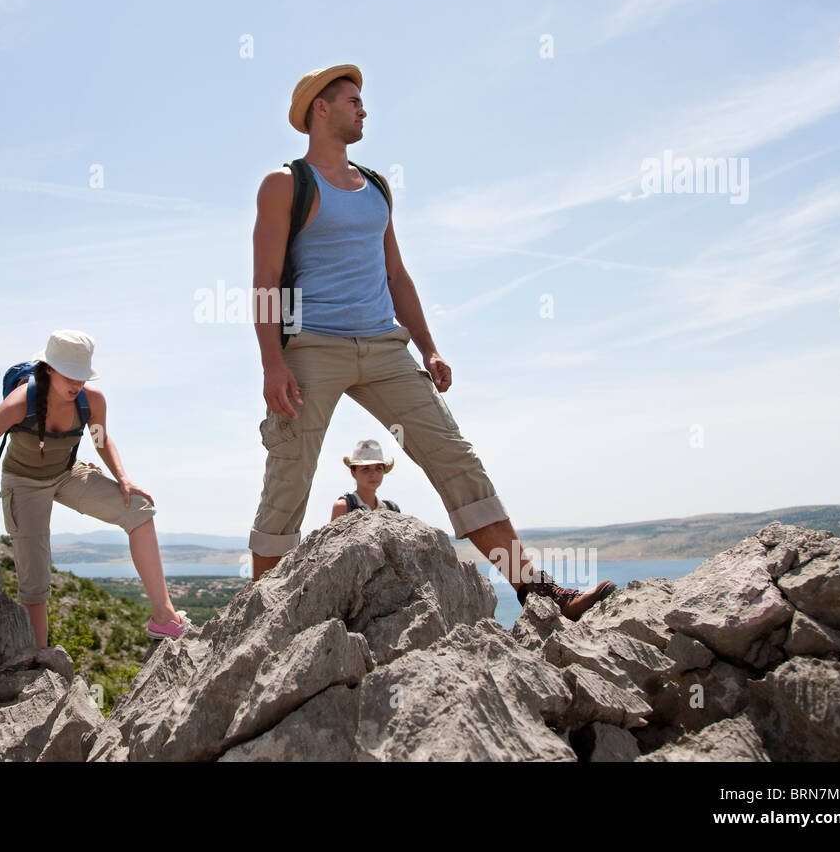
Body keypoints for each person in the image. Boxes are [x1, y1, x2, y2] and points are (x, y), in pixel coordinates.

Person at [248, 64, 616, 621]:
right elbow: (266, 279)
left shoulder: (375, 186)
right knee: (288, 477)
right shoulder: (284, 184)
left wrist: (428, 345)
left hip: (384, 348)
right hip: (312, 349)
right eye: (352, 101)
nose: (363, 109)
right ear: (319, 110)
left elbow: (396, 274)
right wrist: (273, 362)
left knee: (455, 457)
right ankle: (260, 619)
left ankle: (540, 593)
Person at [0, 328, 191, 660]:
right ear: (47, 369)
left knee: (139, 509)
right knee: (35, 583)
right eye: (68, 374)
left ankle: (164, 617)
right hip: (24, 483)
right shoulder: (21, 402)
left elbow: (101, 439)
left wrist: (122, 477)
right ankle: (39, 662)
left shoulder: (92, 401)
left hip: (66, 473)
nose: (76, 383)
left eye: (81, 375)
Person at [331, 438, 401, 519]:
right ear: (353, 473)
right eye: (365, 469)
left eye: (378, 468)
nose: (373, 474)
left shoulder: (391, 509)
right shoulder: (343, 507)